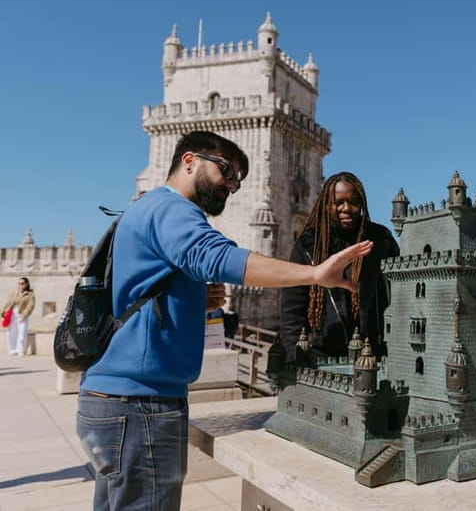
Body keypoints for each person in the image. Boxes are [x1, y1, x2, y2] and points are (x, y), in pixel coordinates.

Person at [76, 131, 373, 511]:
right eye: (226, 171)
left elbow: (135, 294)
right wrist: (314, 274)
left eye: (238, 180)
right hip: (139, 405)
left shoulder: (142, 209)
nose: (232, 186)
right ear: (189, 161)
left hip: (112, 401)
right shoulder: (172, 209)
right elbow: (217, 257)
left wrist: (190, 303)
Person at [280, 172, 399, 361]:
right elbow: (292, 307)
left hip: (374, 353)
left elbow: (400, 293)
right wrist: (294, 355)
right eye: (338, 202)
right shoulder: (309, 244)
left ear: (361, 204)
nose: (346, 208)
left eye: (353, 201)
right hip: (321, 354)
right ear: (327, 204)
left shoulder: (380, 240)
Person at [2, 277, 35, 356]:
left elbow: (30, 306)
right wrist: (3, 312)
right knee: (11, 332)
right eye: (19, 283)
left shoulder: (30, 294)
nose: (21, 285)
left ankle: (21, 350)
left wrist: (24, 315)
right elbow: (8, 302)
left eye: (22, 283)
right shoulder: (15, 293)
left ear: (27, 284)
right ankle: (12, 349)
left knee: (22, 332)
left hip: (22, 314)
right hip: (12, 313)